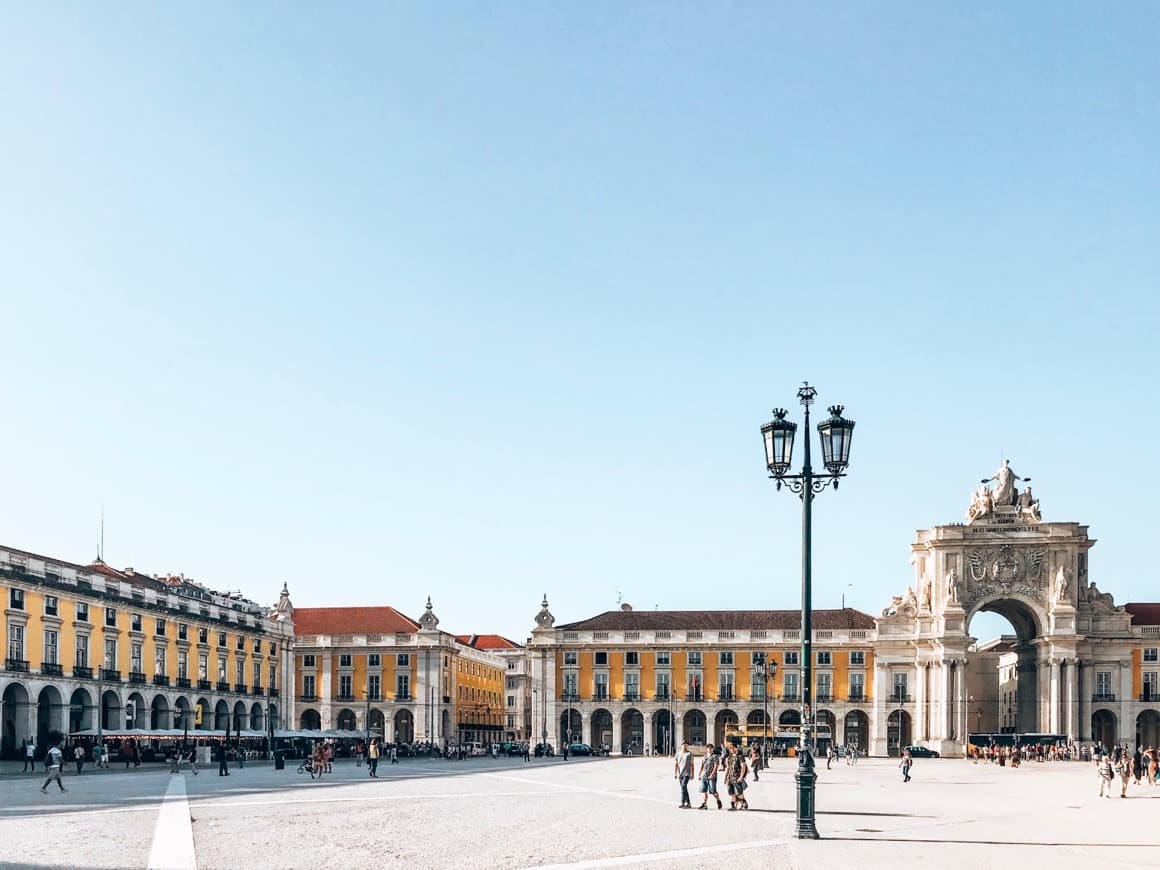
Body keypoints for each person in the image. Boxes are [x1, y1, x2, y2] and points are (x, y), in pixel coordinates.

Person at [696, 742, 723, 809]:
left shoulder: (715, 756)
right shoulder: (704, 757)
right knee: (704, 790)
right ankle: (704, 804)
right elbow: (702, 766)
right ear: (707, 749)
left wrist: (712, 774)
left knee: (713, 791)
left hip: (712, 777)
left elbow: (716, 766)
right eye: (708, 748)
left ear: (712, 749)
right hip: (704, 776)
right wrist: (699, 774)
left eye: (711, 748)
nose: (709, 749)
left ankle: (718, 800)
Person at [723, 744, 749, 810]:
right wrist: (726, 777)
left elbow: (744, 767)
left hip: (737, 778)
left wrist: (741, 777)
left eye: (732, 748)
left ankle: (743, 802)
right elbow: (728, 768)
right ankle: (734, 806)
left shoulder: (740, 757)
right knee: (731, 792)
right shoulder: (729, 757)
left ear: (736, 748)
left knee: (739, 793)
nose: (731, 749)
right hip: (730, 778)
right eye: (730, 748)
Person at [673, 742, 693, 808]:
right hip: (680, 774)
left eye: (686, 745)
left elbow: (692, 764)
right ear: (681, 745)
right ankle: (688, 803)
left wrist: (692, 774)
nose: (684, 746)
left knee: (683, 786)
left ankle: (683, 802)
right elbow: (676, 764)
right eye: (683, 744)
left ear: (687, 746)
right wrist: (675, 773)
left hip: (687, 773)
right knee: (683, 788)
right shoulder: (678, 754)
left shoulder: (689, 754)